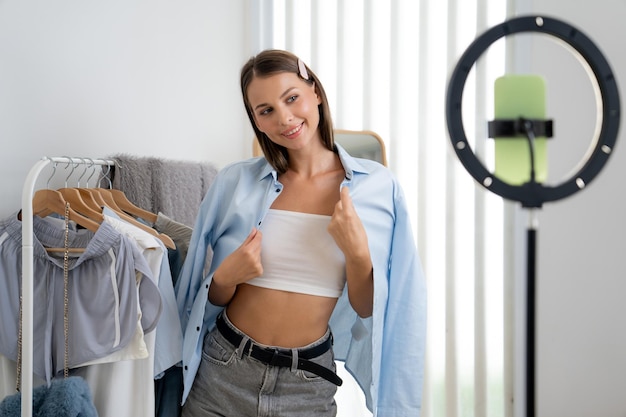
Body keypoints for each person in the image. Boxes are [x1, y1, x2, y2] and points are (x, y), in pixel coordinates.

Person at [175, 49, 427, 416]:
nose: (285, 118)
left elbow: (368, 307)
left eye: (292, 98)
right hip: (223, 372)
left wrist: (357, 253)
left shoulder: (378, 188)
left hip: (306, 385)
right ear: (257, 122)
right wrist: (225, 277)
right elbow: (197, 302)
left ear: (316, 94)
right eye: (266, 111)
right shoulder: (234, 182)